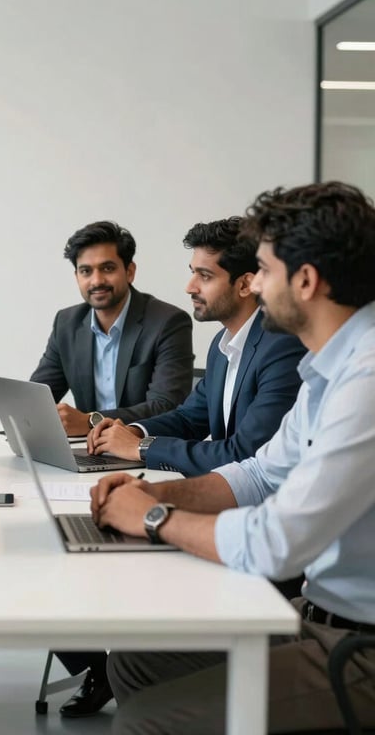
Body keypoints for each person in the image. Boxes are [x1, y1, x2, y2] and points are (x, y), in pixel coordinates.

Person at [91, 181, 375, 734]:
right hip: (317, 619)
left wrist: (153, 520)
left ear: (307, 281)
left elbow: (276, 541)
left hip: (359, 646)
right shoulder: (330, 368)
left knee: (145, 721)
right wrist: (152, 492)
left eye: (264, 270)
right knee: (136, 662)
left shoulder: (365, 381)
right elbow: (260, 471)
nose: (256, 285)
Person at [88, 217, 305, 477]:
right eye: (193, 272)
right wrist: (132, 431)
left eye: (204, 275)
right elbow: (189, 418)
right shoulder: (222, 344)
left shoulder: (282, 346)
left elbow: (246, 453)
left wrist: (141, 448)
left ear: (245, 285)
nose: (190, 287)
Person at [31, 221, 194, 437]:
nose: (96, 280)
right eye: (86, 271)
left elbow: (165, 406)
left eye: (107, 268)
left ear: (129, 271)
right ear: (77, 277)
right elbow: (37, 398)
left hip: (144, 451)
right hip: (88, 449)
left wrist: (90, 421)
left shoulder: (168, 322)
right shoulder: (67, 323)